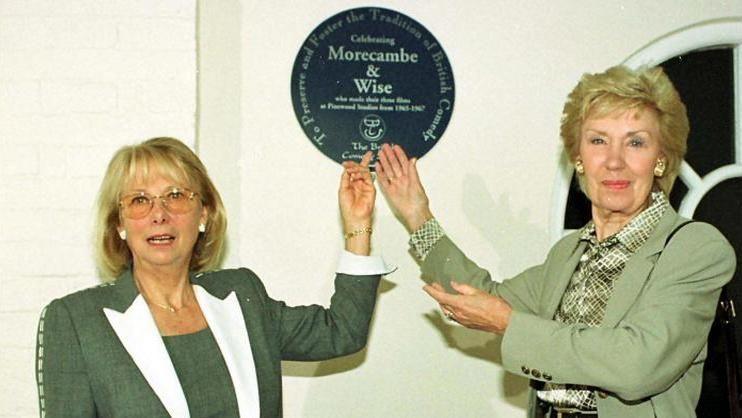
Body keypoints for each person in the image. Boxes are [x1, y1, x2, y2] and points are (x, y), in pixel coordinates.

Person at [375, 65, 736, 417]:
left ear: (661, 159)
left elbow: (637, 365)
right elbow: (484, 299)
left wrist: (510, 325)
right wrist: (417, 215)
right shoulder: (569, 252)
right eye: (598, 140)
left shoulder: (696, 249)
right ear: (579, 159)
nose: (614, 161)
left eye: (636, 143)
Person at [35, 137, 391, 417]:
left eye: (176, 196)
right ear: (119, 223)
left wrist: (358, 224)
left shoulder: (242, 295)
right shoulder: (75, 321)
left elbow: (342, 332)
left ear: (204, 214)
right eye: (139, 200)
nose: (159, 214)